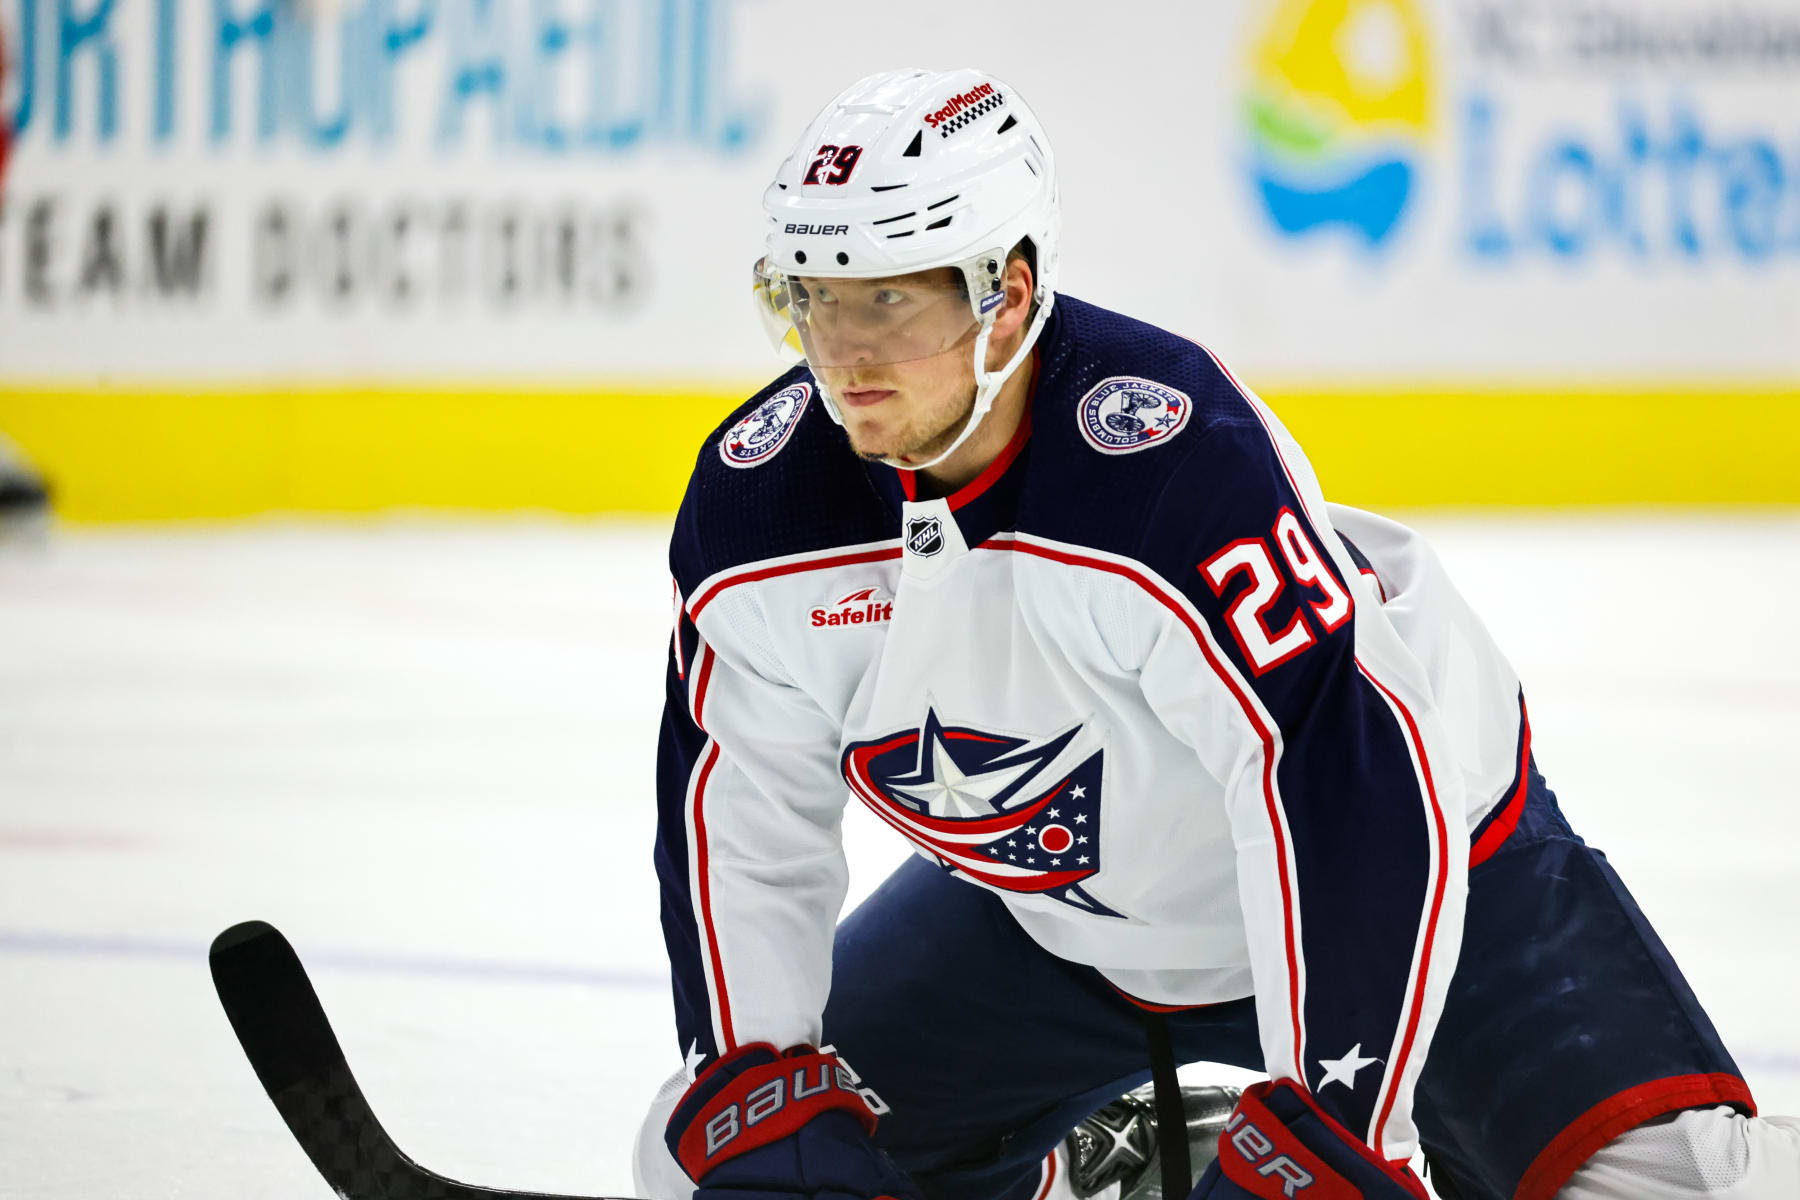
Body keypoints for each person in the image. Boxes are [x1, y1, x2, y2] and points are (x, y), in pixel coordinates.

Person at [633, 68, 1798, 1200]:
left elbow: (1344, 786)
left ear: (1012, 292)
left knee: (1668, 1187)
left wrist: (1339, 1128)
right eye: (817, 299)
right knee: (692, 1154)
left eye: (891, 297)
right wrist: (761, 1079)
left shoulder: (1167, 468)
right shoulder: (759, 508)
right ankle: (1083, 1164)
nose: (846, 353)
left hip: (1422, 884)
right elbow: (739, 814)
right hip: (1064, 924)